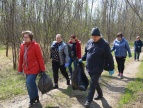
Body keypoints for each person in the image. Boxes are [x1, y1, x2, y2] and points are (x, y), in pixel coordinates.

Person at [79, 27, 114, 108]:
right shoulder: (89, 42)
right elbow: (87, 53)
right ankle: (100, 94)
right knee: (94, 82)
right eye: (92, 36)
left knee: (92, 83)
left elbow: (109, 57)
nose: (94, 38)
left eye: (95, 37)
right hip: (89, 67)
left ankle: (88, 101)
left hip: (98, 67)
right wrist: (82, 59)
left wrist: (111, 67)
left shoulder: (104, 44)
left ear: (99, 36)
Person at [18, 30, 46, 107]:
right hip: (26, 68)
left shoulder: (35, 45)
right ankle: (35, 97)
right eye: (24, 37)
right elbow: (20, 58)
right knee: (29, 84)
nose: (25, 38)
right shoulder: (22, 46)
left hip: (34, 68)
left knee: (29, 82)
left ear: (30, 37)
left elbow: (40, 58)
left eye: (26, 37)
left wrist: (42, 69)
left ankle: (32, 99)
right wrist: (20, 69)